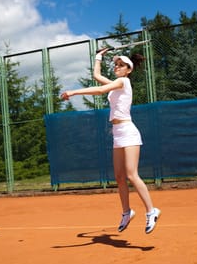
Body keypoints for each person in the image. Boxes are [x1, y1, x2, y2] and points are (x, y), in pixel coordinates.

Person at [61, 48, 161, 234]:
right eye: (115, 65)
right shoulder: (116, 84)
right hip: (117, 133)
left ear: (128, 70)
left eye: (120, 65)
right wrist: (99, 56)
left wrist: (73, 92)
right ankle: (126, 212)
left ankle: (151, 210)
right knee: (119, 177)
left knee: (132, 174)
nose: (116, 67)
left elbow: (99, 89)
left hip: (129, 132)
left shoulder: (123, 81)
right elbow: (97, 76)